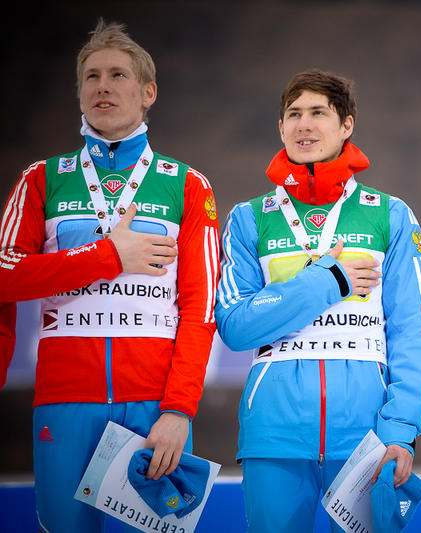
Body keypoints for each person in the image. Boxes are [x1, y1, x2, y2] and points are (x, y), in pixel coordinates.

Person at [0, 20, 219, 532]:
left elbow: (201, 307)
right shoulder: (41, 179)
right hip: (64, 401)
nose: (103, 86)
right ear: (79, 93)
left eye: (118, 75)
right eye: (92, 76)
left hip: (153, 407)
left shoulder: (188, 185)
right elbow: (6, 276)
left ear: (148, 93)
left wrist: (179, 411)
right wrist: (108, 256)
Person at [215, 69, 421, 532]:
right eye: (293, 114)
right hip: (272, 433)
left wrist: (399, 430)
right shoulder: (248, 219)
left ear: (346, 126)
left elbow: (415, 332)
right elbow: (235, 325)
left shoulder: (391, 215)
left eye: (319, 113)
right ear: (280, 128)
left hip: (366, 434)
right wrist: (326, 281)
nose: (304, 125)